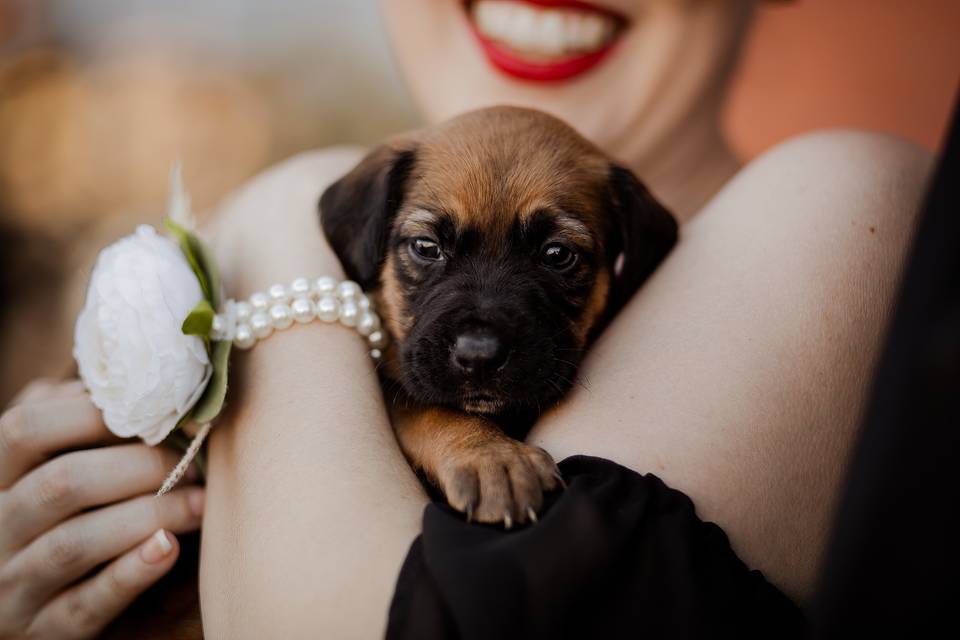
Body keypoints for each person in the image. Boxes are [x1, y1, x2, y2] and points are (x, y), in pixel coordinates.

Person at [0, 1, 933, 637]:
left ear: (628, 253)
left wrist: (273, 223)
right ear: (372, 233)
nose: (480, 334)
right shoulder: (362, 228)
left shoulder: (853, 210)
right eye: (428, 251)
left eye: (559, 259)